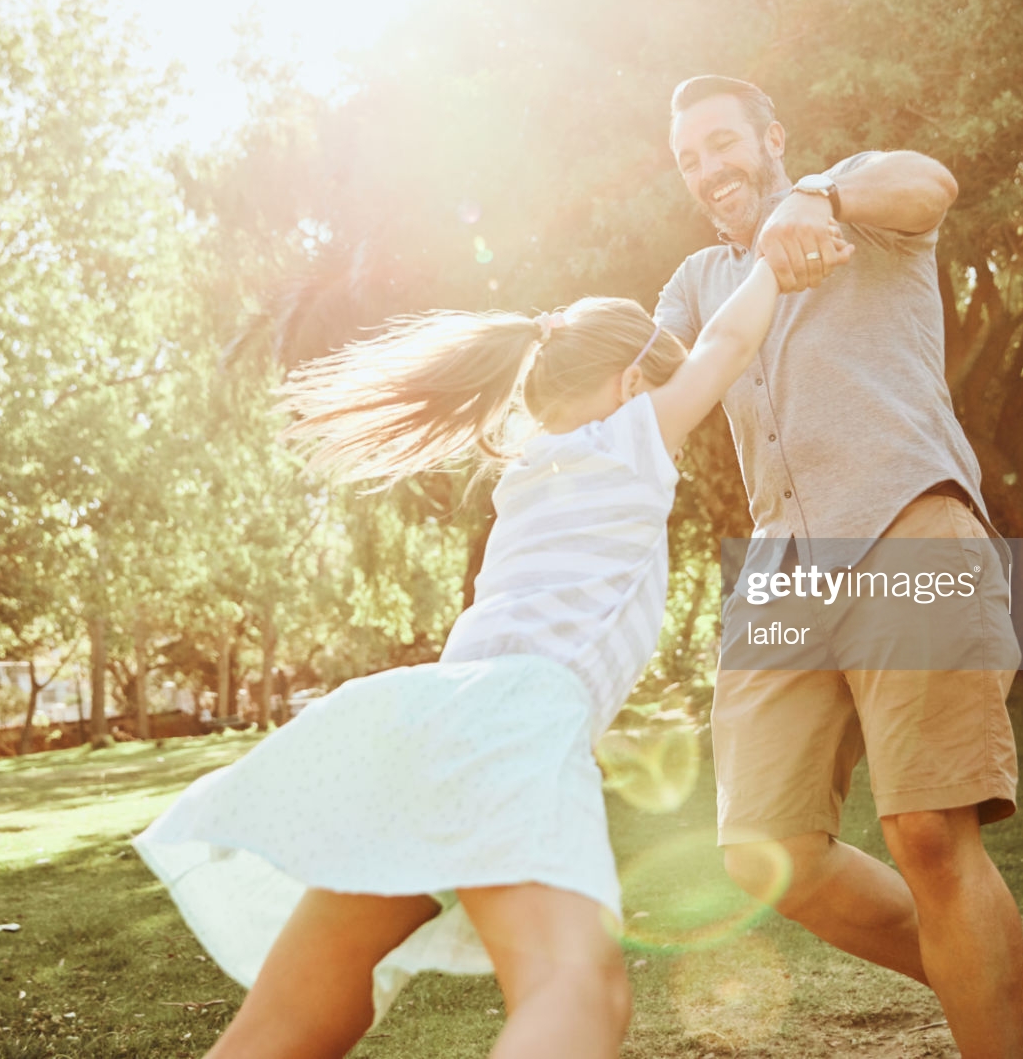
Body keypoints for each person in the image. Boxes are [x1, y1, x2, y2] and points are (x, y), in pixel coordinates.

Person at [135, 253, 818, 1059]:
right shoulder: (631, 436)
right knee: (581, 995)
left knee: (303, 1016)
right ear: (635, 386)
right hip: (517, 720)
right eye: (659, 389)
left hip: (434, 716)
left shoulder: (531, 465)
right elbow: (730, 342)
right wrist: (774, 257)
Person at [655, 75, 1023, 1059]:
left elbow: (931, 181)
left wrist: (819, 197)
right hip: (783, 572)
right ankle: (1006, 979)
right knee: (768, 852)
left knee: (926, 832)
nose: (709, 169)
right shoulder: (697, 279)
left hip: (904, 522)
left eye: (721, 143)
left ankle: (994, 1020)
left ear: (770, 137)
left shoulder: (860, 201)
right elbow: (647, 370)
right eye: (688, 159)